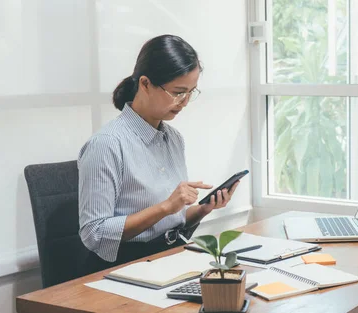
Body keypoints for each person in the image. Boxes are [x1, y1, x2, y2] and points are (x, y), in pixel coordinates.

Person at [77, 34, 239, 272]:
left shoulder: (173, 139)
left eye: (191, 92)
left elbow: (171, 221)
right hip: (122, 268)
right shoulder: (107, 144)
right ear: (145, 84)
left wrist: (203, 209)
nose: (184, 102)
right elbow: (95, 233)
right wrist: (166, 206)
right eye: (177, 92)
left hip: (167, 258)